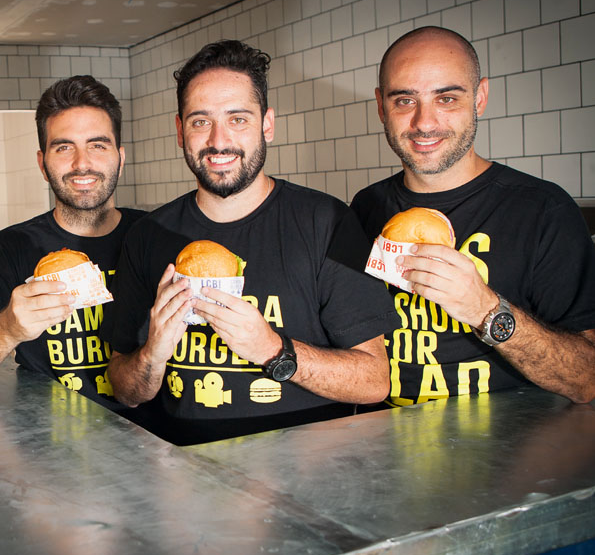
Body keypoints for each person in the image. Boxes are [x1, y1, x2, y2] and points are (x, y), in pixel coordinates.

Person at [103, 40, 394, 444]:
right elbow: (124, 388)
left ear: (267, 124)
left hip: (308, 484)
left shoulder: (325, 221)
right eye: (200, 121)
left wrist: (273, 349)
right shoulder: (148, 235)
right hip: (189, 472)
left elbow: (375, 380)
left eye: (237, 119)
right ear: (180, 129)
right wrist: (153, 352)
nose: (218, 140)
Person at [350, 26, 595, 407]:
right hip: (384, 441)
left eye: (447, 98)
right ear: (380, 105)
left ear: (480, 98)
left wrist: (484, 309)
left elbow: (589, 379)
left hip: (506, 451)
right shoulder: (366, 207)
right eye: (405, 100)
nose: (424, 122)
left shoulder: (541, 210)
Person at [0, 75, 145, 413]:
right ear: (42, 164)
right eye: (64, 147)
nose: (82, 163)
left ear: (119, 159)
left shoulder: (152, 236)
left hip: (151, 442)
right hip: (49, 452)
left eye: (98, 144)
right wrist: (8, 328)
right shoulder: (11, 248)